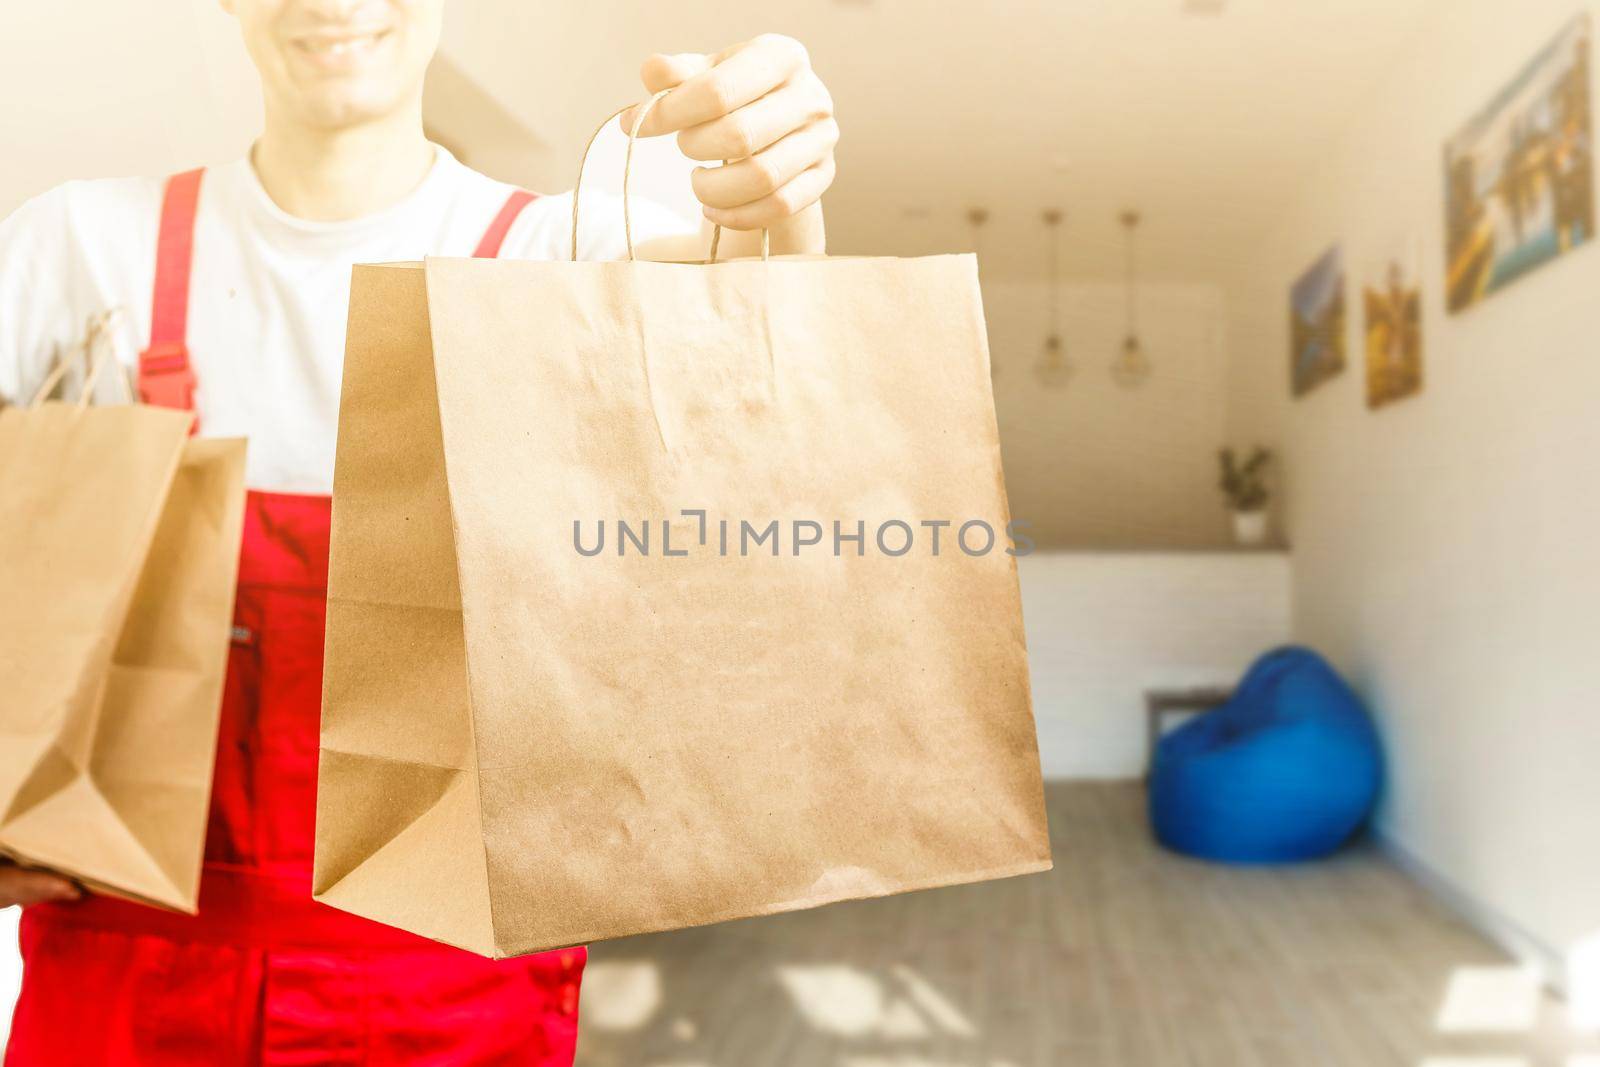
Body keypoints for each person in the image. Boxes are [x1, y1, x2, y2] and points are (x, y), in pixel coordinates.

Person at [0, 1, 838, 1062]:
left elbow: (763, 364)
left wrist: (776, 202)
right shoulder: (74, 253)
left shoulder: (559, 256)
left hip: (451, 1010)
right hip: (119, 994)